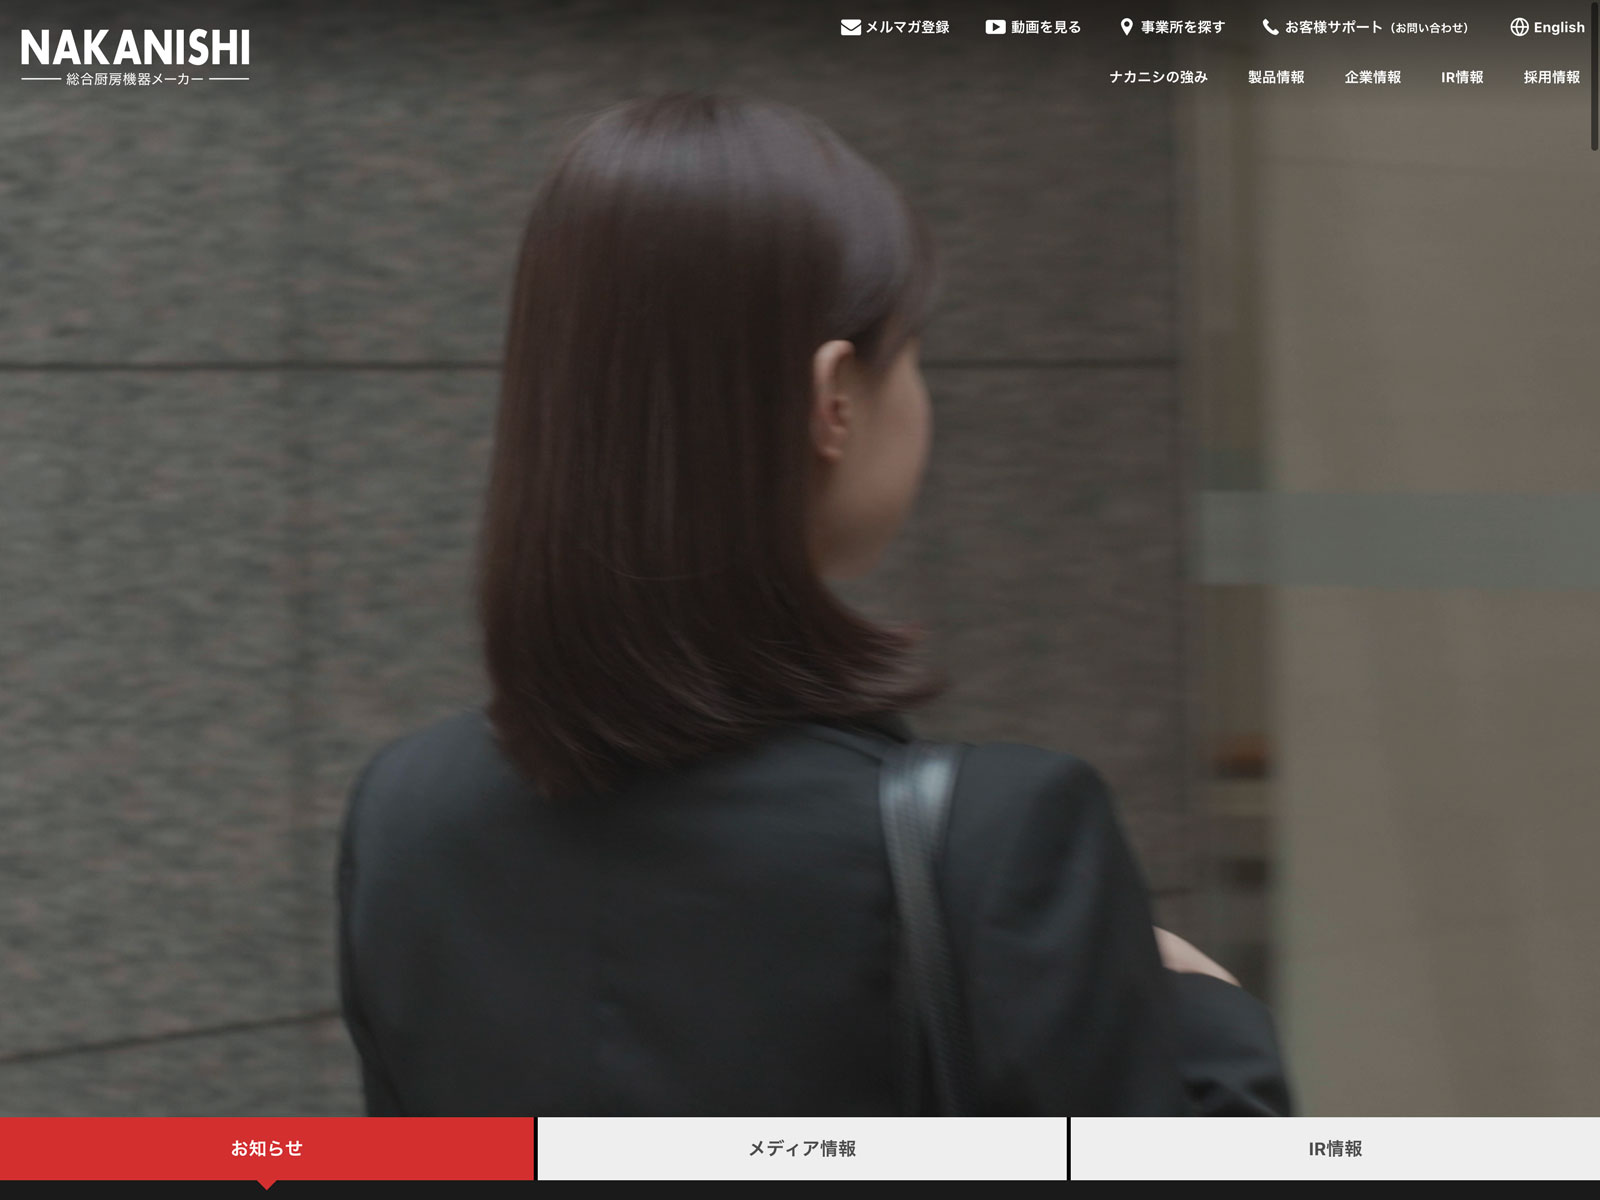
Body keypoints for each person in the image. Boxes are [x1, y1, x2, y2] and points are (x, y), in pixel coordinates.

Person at [336, 92, 1293, 1117]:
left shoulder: (404, 814)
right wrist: (1207, 1015)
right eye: (911, 354)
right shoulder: (1000, 841)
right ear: (833, 399)